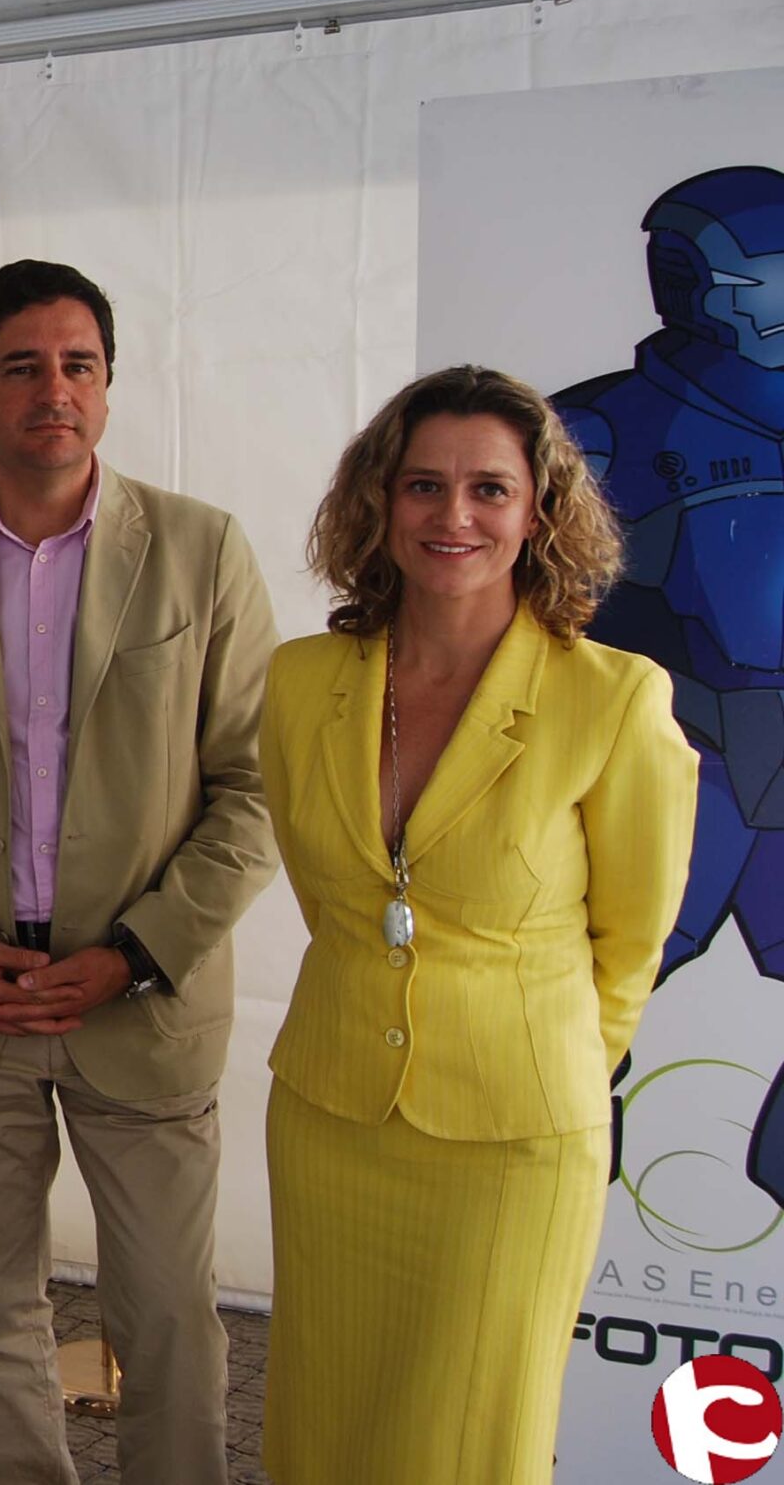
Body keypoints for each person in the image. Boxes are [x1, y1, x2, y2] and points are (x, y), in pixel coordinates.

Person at [0, 259, 278, 1484]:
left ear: (109, 386)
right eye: (21, 366)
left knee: (169, 1316)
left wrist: (133, 952)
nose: (54, 390)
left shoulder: (199, 548)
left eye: (79, 364)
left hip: (139, 1000)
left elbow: (253, 789)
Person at [260, 365, 694, 1483]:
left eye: (489, 488)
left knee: (472, 1442)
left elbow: (630, 948)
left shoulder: (614, 698)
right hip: (331, 1113)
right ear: (379, 501)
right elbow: (335, 902)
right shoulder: (301, 682)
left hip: (513, 1139)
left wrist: (540, 1068)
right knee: (325, 1420)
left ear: (539, 512)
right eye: (423, 484)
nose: (453, 514)